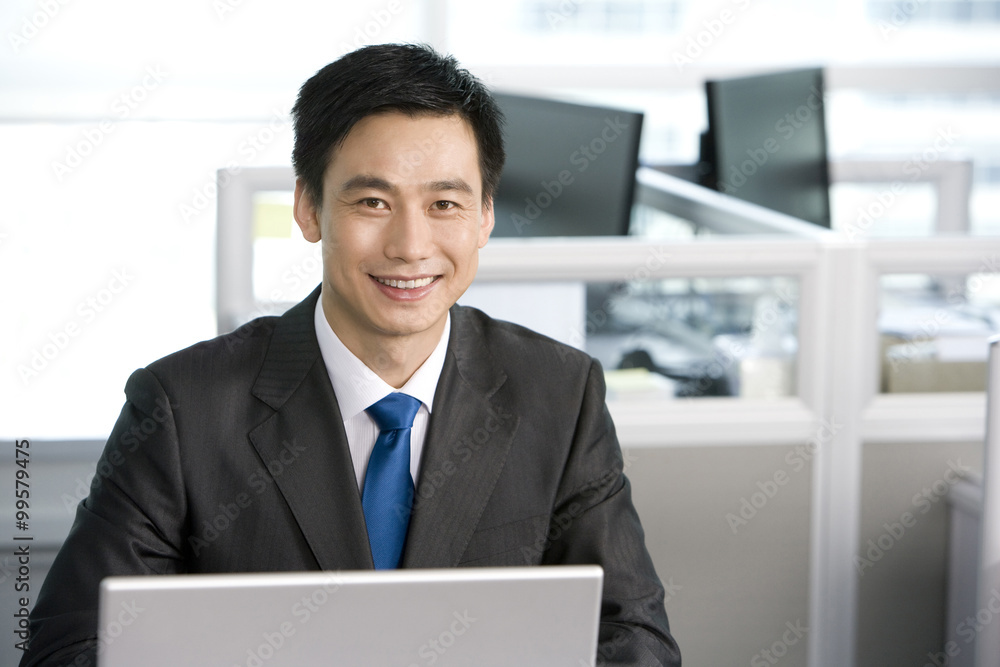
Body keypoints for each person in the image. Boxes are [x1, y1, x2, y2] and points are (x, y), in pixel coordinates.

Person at [21, 43, 681, 666]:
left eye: (445, 203)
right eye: (373, 201)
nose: (410, 244)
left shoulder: (560, 395)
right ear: (308, 208)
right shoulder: (182, 407)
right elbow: (73, 645)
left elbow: (634, 634)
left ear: (484, 216)